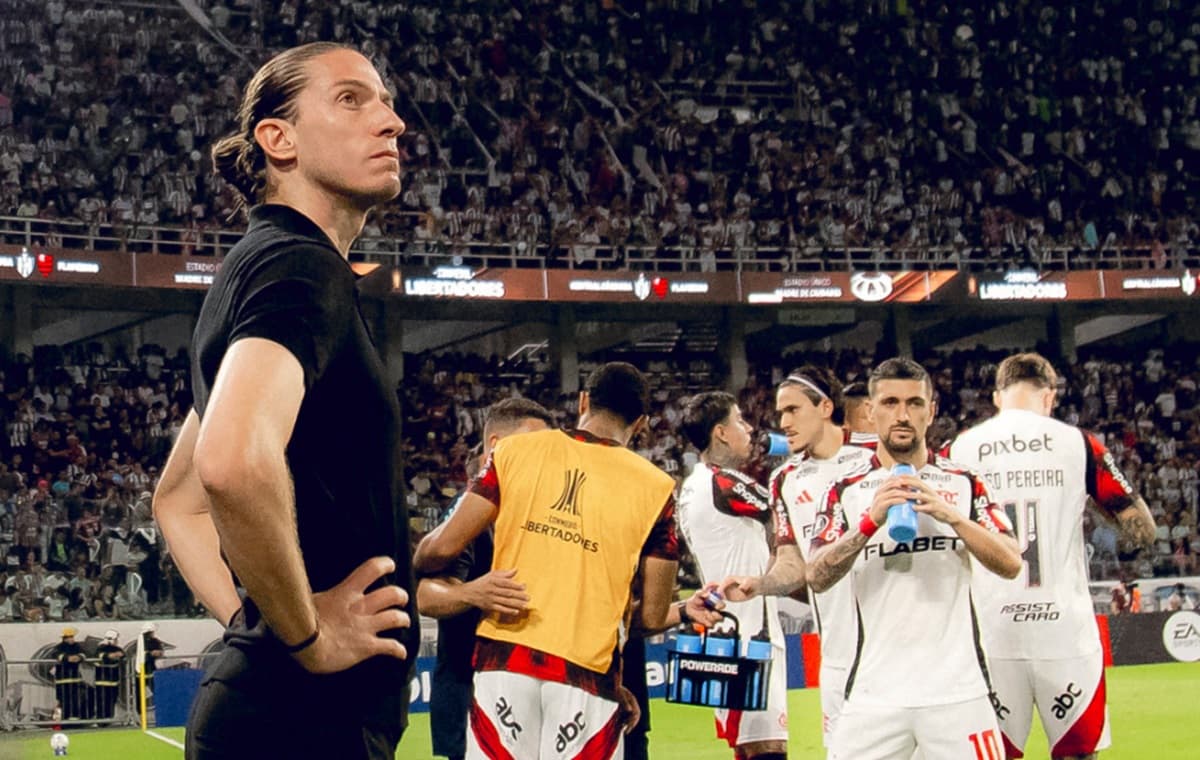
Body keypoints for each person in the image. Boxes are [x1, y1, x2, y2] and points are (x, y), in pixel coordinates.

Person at [151, 42, 414, 760]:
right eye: (353, 99)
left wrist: (258, 623)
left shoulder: (268, 263)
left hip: (272, 711)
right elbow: (231, 462)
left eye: (386, 102)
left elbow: (177, 499)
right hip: (304, 723)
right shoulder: (298, 267)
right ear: (278, 138)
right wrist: (303, 634)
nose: (390, 122)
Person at [415, 362, 722, 760]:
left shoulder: (512, 452)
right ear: (642, 422)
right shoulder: (656, 487)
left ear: (583, 401)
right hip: (587, 677)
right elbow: (649, 615)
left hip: (504, 664)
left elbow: (439, 550)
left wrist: (421, 556)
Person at [727, 358, 1021, 760]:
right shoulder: (844, 491)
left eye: (915, 403)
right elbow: (816, 575)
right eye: (890, 403)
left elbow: (1011, 561)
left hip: (960, 693)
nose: (903, 415)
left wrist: (951, 516)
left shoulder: (964, 482)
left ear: (931, 410)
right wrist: (868, 523)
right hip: (873, 692)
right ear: (871, 411)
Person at [947, 352, 1156, 760]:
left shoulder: (958, 448)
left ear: (996, 397)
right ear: (1050, 396)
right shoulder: (1080, 445)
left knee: (992, 754)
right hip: (1065, 632)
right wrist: (1086, 501)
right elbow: (1143, 530)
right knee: (1079, 754)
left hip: (990, 633)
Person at [417, 398, 555, 760]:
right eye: (534, 445)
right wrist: (473, 593)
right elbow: (423, 595)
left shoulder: (535, 513)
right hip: (471, 691)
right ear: (496, 445)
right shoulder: (467, 515)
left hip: (529, 686)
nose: (543, 458)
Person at [675, 391, 795, 760]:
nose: (749, 429)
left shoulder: (692, 486)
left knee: (746, 749)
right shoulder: (722, 482)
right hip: (750, 637)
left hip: (724, 633)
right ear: (721, 433)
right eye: (740, 420)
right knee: (767, 748)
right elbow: (783, 512)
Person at [767, 367, 874, 754]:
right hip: (835, 661)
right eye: (781, 414)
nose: (784, 423)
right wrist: (756, 585)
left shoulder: (878, 457)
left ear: (826, 407)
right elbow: (792, 564)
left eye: (793, 410)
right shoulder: (785, 479)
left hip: (897, 655)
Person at [52, 627, 85, 720]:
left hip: (74, 679)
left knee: (75, 700)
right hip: (62, 679)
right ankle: (61, 720)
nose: (72, 639)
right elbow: (56, 655)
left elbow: (84, 654)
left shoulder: (77, 646)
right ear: (65, 638)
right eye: (70, 637)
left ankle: (73, 719)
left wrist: (79, 657)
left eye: (72, 637)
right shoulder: (59, 647)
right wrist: (67, 658)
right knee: (63, 700)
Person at [95, 628, 124, 720]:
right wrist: (114, 655)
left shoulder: (117, 649)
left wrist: (119, 655)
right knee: (102, 702)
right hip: (102, 681)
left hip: (114, 680)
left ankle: (109, 719)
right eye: (115, 639)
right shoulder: (100, 648)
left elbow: (123, 655)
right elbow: (103, 657)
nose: (117, 641)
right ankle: (101, 721)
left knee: (112, 701)